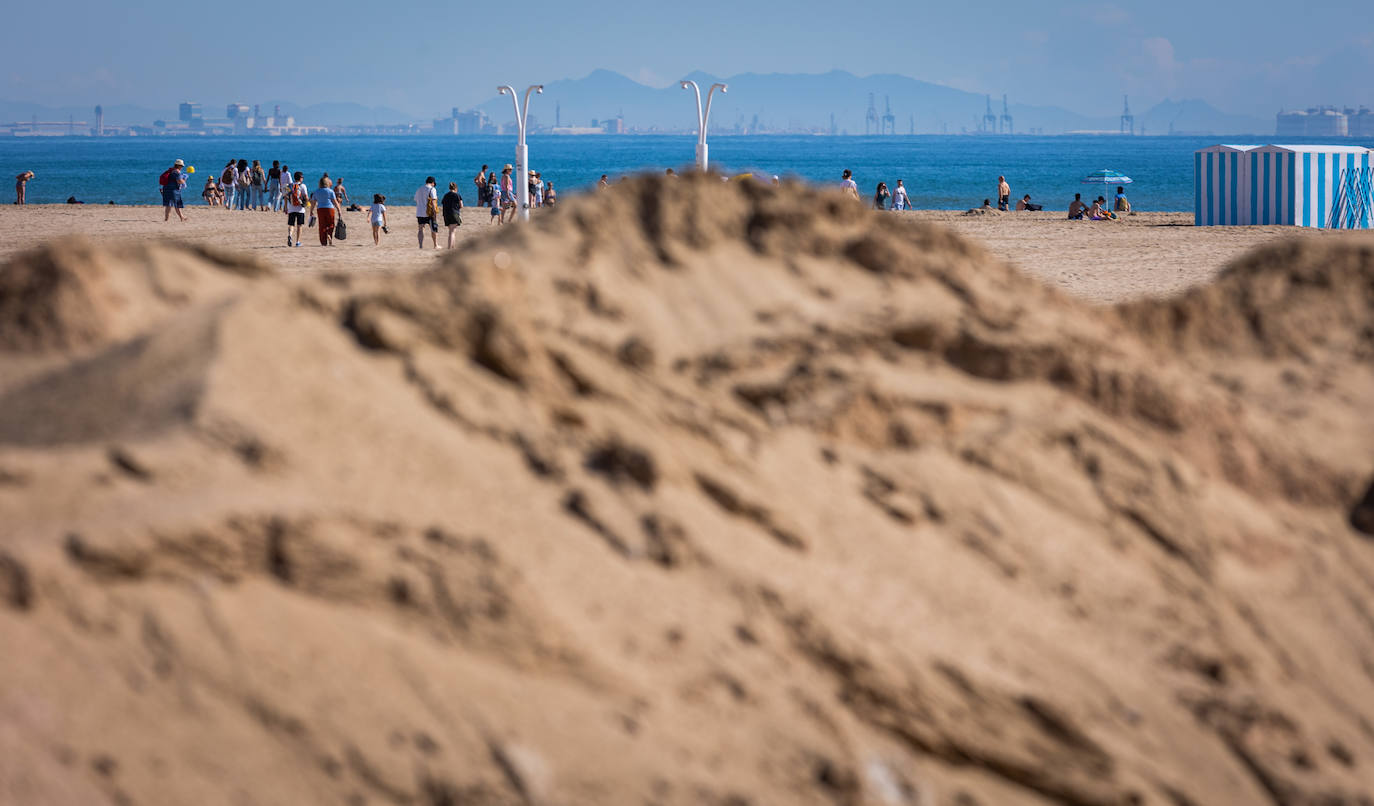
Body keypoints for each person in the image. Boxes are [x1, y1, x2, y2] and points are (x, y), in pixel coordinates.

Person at [312, 176, 340, 245]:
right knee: (331, 224)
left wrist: (311, 211)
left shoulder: (316, 191)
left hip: (320, 209)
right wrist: (339, 210)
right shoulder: (330, 191)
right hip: (330, 209)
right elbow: (335, 201)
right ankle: (329, 234)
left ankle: (323, 242)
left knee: (322, 226)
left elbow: (313, 202)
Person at [284, 170, 308, 246]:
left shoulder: (289, 186)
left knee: (291, 224)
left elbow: (285, 197)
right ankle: (297, 242)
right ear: (300, 178)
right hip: (300, 209)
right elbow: (306, 197)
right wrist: (307, 204)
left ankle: (290, 235)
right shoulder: (303, 186)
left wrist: (285, 207)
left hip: (291, 208)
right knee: (299, 225)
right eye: (302, 177)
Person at [414, 176, 439, 249]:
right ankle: (435, 245)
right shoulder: (432, 189)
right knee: (433, 229)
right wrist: (434, 213)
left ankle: (420, 245)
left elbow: (415, 199)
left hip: (419, 212)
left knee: (420, 229)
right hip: (429, 212)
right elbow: (434, 202)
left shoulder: (419, 189)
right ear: (433, 183)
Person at [441, 181, 464, 248]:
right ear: (456, 188)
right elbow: (461, 205)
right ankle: (449, 248)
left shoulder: (446, 195)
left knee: (452, 231)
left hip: (446, 214)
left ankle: (452, 247)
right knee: (452, 232)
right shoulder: (457, 195)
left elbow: (443, 204)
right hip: (454, 213)